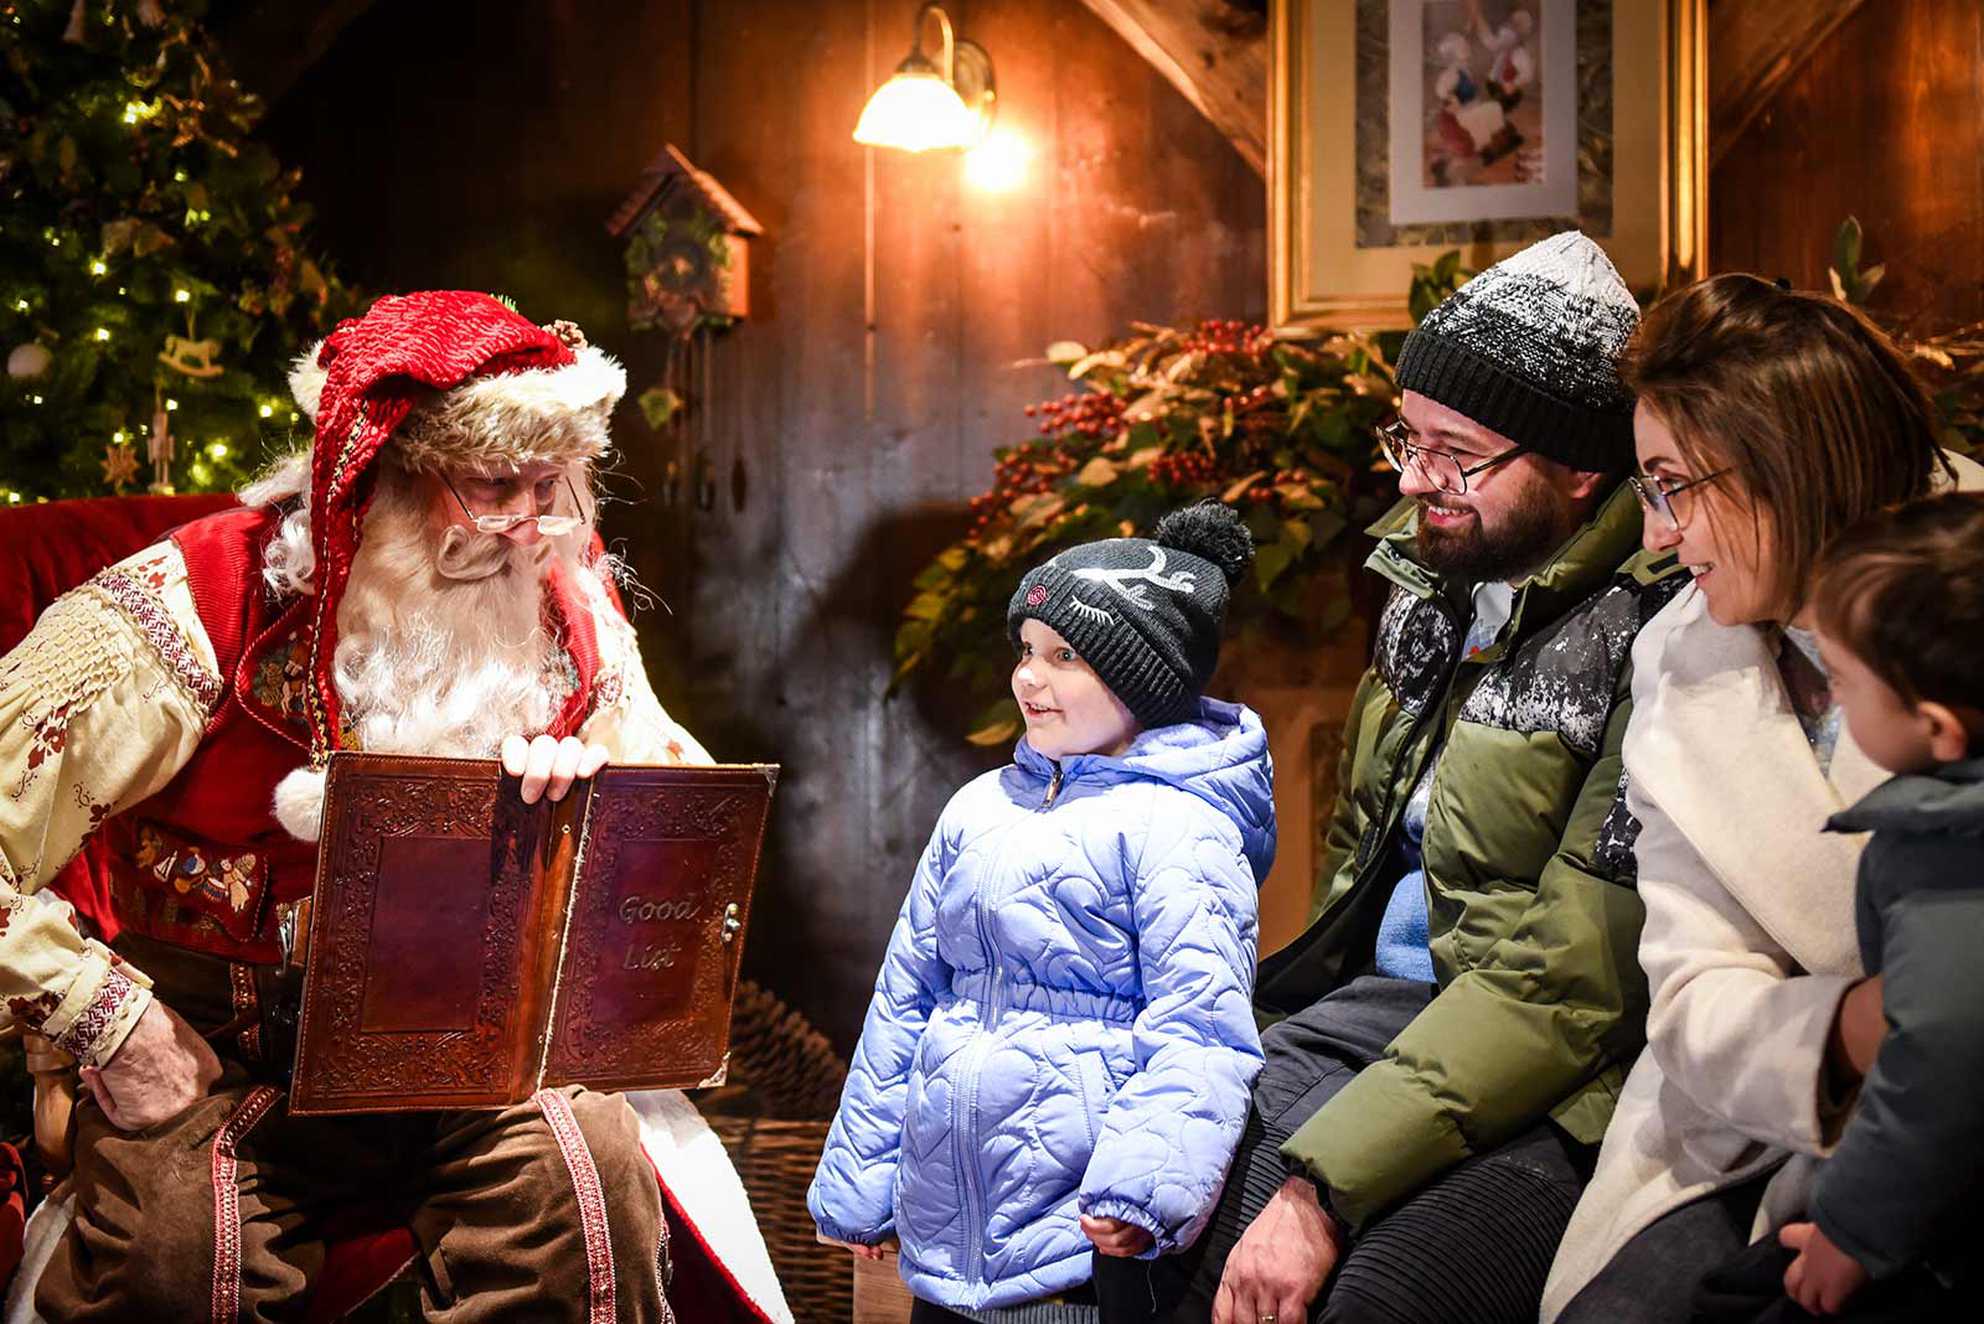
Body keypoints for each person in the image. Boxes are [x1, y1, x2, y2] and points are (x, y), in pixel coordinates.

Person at [0, 291, 712, 1321]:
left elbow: (683, 831)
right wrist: (111, 1026)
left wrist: (591, 822)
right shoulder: (189, 606)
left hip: (469, 1043)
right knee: (179, 1258)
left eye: (548, 488)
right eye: (489, 487)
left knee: (590, 1192)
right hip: (220, 1054)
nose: (525, 529)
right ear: (377, 481)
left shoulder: (567, 601)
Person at [1146, 229, 1687, 1324]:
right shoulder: (1430, 590)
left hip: (1561, 1074)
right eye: (1409, 435)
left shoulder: (1661, 630)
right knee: (1140, 1210)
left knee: (1370, 1297)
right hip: (1376, 1013)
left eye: (1457, 452)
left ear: (1581, 467)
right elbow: (1359, 869)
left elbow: (1572, 977)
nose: (1410, 476)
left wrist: (1323, 1185)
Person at [1543, 274, 1984, 1322]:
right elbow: (1692, 997)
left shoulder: (1965, 590)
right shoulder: (1673, 659)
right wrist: (1857, 1028)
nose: (1654, 535)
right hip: (1762, 1127)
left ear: (1785, 465)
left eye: (1668, 485)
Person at [807, 504, 1275, 1321]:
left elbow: (1199, 1026)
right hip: (941, 1242)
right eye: (1027, 649)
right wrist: (862, 1180)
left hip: (1074, 1251)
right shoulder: (978, 809)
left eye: (1065, 656)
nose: (1029, 676)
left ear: (1145, 682)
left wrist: (1142, 1189)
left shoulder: (1181, 829)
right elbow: (905, 1000)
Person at [1689, 493, 1984, 1322]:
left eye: (1848, 685)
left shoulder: (1951, 858)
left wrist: (1853, 1231)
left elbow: (1940, 1061)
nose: (1838, 704)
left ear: (1936, 728)